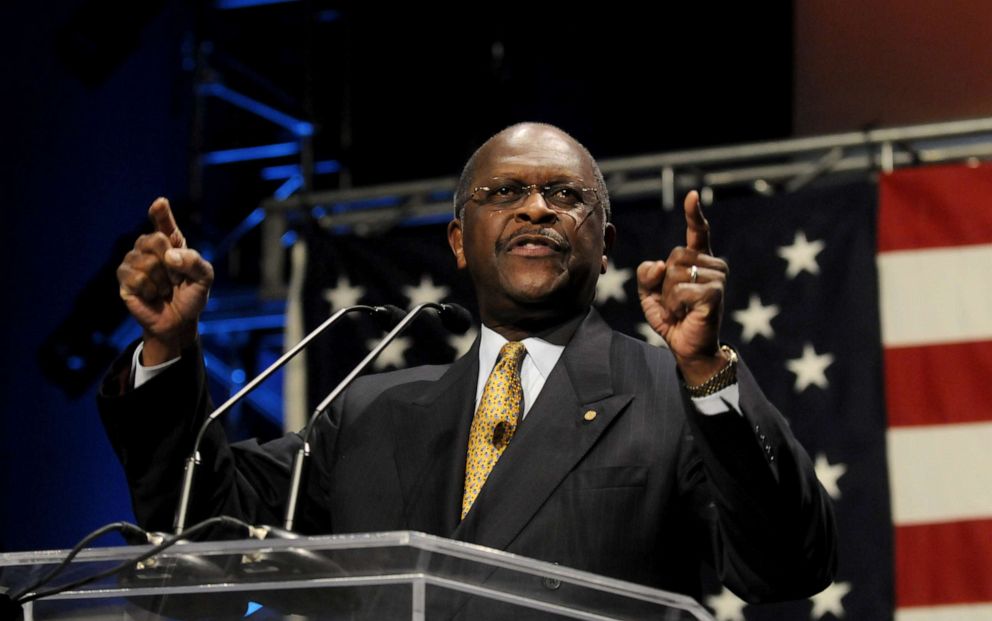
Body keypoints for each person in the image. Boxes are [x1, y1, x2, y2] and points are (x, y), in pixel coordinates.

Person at [99, 123, 836, 609]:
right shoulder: (370, 415)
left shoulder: (670, 396)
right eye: (504, 192)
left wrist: (706, 370)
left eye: (565, 195)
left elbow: (785, 566)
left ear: (605, 244)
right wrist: (168, 349)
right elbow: (201, 537)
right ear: (458, 240)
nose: (537, 209)